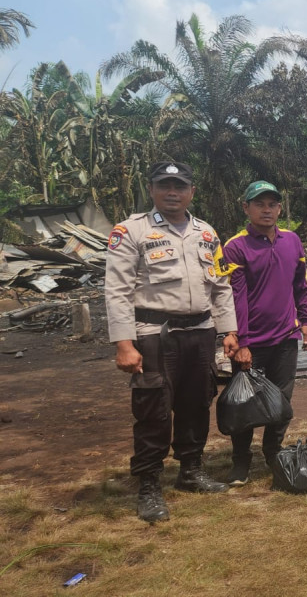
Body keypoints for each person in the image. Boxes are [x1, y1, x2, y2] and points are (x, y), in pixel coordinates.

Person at [105, 161, 239, 523]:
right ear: (151, 189)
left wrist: (229, 331)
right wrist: (123, 343)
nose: (172, 192)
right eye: (164, 185)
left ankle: (190, 471)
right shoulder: (131, 231)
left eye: (179, 186)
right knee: (154, 409)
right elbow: (116, 290)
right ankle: (149, 484)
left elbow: (221, 285)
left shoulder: (206, 233)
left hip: (200, 332)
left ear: (191, 192)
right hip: (153, 336)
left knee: (197, 402)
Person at [220, 180, 307, 485]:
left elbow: (301, 285)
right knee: (244, 404)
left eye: (272, 204)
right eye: (259, 204)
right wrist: (242, 341)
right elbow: (236, 297)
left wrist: (306, 320)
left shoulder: (292, 241)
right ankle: (241, 461)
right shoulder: (235, 246)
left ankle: (272, 452)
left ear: (279, 208)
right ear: (245, 208)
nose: (267, 210)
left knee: (282, 402)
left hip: (286, 338)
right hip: (252, 343)